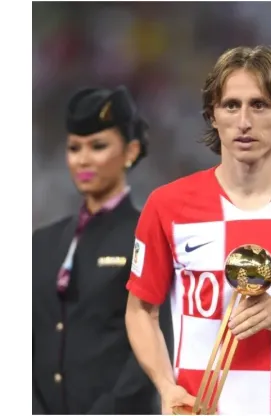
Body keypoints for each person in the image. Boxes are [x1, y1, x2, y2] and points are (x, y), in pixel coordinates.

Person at [124, 45, 271, 415]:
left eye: (260, 104)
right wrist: (165, 387)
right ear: (212, 115)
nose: (244, 121)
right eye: (231, 105)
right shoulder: (167, 205)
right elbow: (141, 311)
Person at [32, 86, 171, 414]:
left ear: (130, 151)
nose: (83, 159)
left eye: (98, 146)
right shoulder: (43, 242)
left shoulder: (148, 236)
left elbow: (156, 339)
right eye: (74, 147)